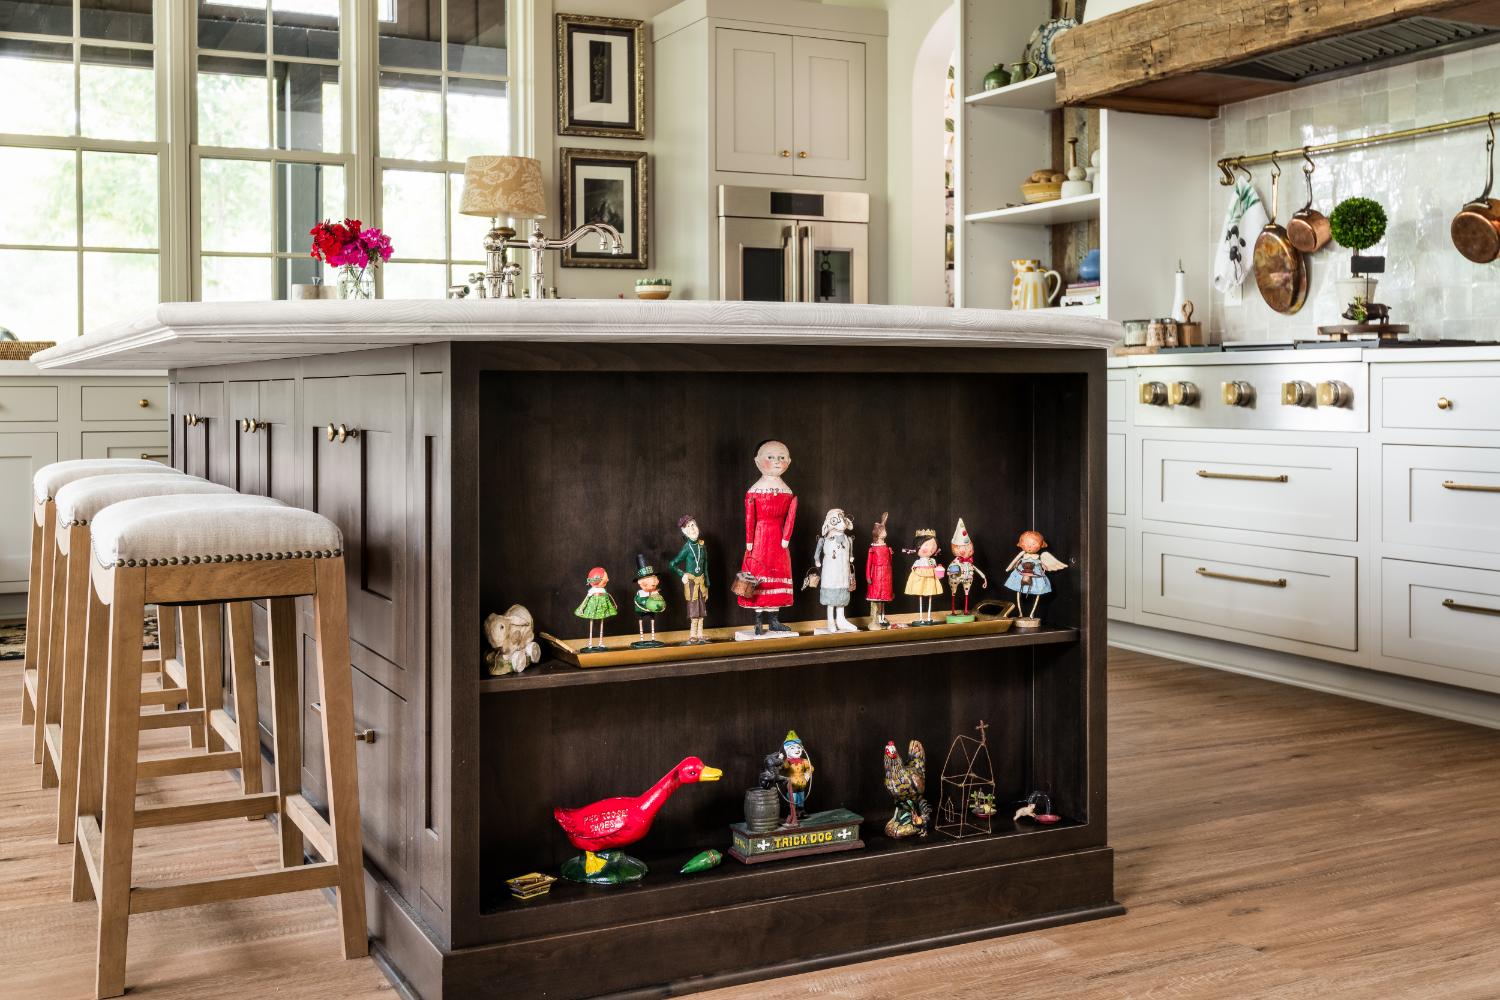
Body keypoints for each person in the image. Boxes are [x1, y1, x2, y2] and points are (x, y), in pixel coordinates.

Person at [738, 439, 798, 637]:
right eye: (770, 457)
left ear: (789, 461)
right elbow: (750, 517)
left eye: (781, 457)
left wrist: (786, 537)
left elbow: (791, 516)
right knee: (758, 576)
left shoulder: (787, 491)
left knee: (777, 573)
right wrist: (749, 541)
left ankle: (773, 620)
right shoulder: (754, 491)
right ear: (757, 461)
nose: (777, 461)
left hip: (778, 542)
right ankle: (758, 620)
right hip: (760, 540)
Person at [669, 514, 710, 644]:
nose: (692, 528)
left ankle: (700, 634)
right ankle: (693, 635)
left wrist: (707, 584)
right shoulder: (687, 548)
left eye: (693, 525)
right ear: (684, 532)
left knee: (702, 608)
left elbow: (705, 566)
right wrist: (683, 574)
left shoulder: (702, 546)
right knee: (694, 609)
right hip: (692, 583)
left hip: (701, 582)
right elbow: (672, 564)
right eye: (688, 526)